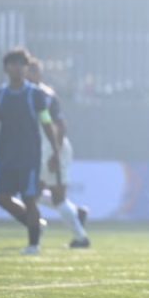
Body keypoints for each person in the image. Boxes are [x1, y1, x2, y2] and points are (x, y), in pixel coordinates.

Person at [0, 48, 61, 255]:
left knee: (29, 198)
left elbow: (46, 122)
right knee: (2, 197)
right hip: (6, 156)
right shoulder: (0, 95)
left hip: (29, 157)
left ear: (26, 68)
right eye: (13, 64)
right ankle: (36, 225)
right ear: (6, 68)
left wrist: (55, 150)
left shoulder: (35, 95)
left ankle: (33, 244)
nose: (17, 68)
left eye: (21, 64)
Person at [25, 57, 90, 248]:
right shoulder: (28, 94)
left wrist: (56, 152)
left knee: (45, 195)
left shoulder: (45, 95)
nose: (26, 76)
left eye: (30, 71)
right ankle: (76, 215)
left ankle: (80, 237)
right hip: (43, 150)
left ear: (38, 74)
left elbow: (60, 125)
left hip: (51, 149)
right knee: (33, 194)